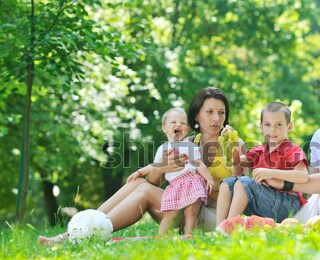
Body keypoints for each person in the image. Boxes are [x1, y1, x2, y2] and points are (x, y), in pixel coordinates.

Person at [38, 87, 245, 244]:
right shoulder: (186, 143)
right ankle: (81, 228)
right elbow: (154, 181)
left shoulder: (234, 143)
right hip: (181, 209)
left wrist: (235, 159)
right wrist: (160, 167)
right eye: (209, 112)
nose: (216, 118)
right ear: (197, 116)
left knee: (144, 190)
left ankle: (84, 233)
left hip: (212, 216)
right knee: (138, 182)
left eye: (221, 112)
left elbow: (242, 187)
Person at [216, 102, 309, 224]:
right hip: (266, 203)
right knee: (227, 184)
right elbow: (236, 161)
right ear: (261, 126)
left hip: (288, 205)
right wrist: (230, 140)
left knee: (245, 182)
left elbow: (303, 176)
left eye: (279, 125)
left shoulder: (292, 150)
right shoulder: (258, 151)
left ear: (289, 126)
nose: (272, 130)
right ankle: (219, 229)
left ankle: (229, 227)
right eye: (267, 125)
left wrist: (270, 173)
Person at [137, 108, 215, 235]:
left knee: (191, 211)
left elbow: (199, 164)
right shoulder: (163, 149)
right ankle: (161, 236)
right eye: (173, 122)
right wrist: (139, 172)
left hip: (191, 181)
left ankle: (189, 234)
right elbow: (154, 166)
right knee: (170, 212)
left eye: (183, 123)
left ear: (187, 130)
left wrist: (209, 179)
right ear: (165, 128)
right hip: (175, 185)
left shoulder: (189, 146)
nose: (178, 125)